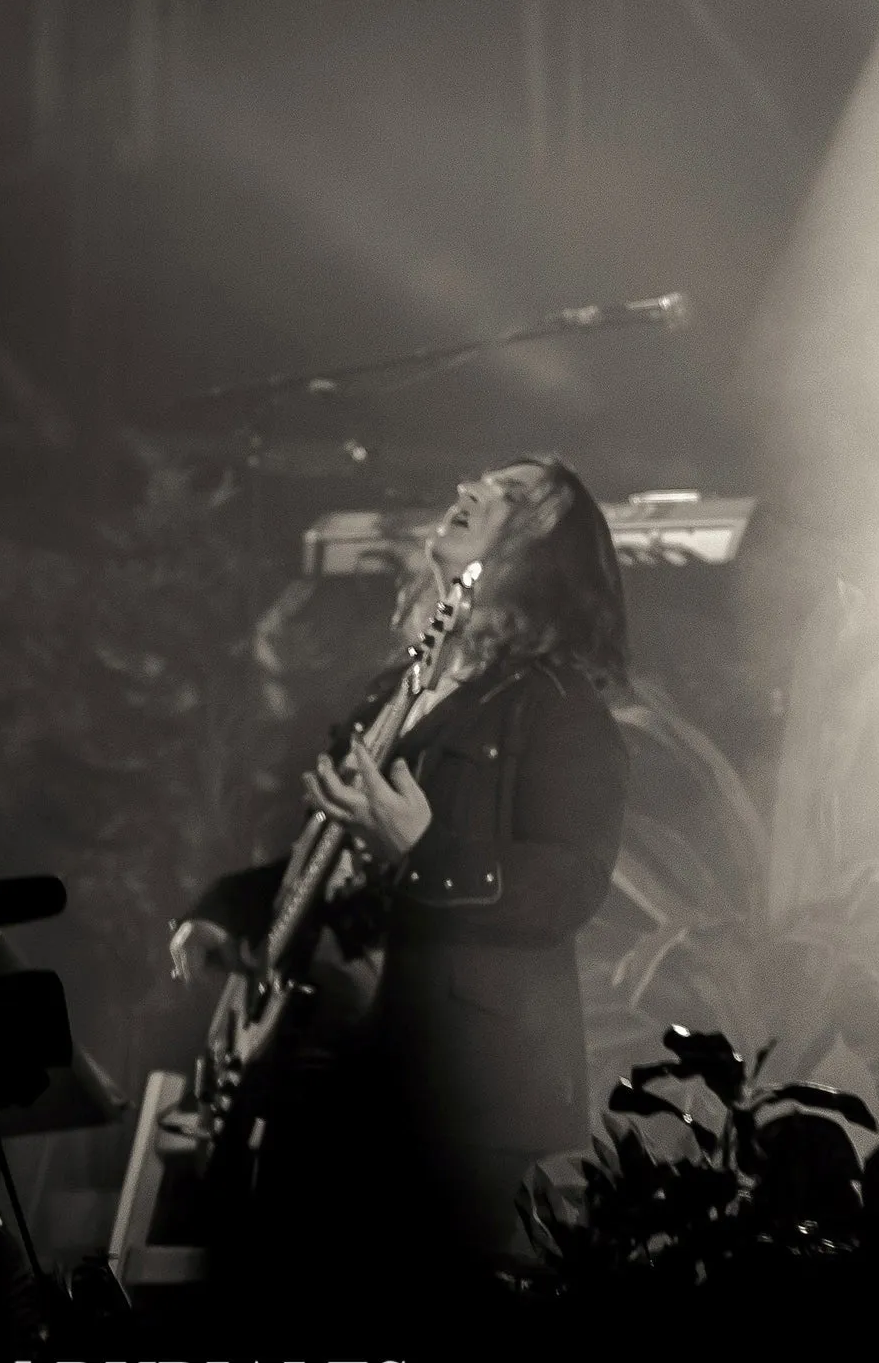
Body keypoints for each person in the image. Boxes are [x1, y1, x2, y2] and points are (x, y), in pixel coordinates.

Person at [167, 456, 629, 1346]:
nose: (472, 488)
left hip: (455, 1089)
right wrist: (226, 907)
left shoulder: (557, 705)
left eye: (509, 493)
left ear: (542, 551)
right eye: (478, 479)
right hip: (327, 1065)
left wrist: (425, 852)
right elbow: (322, 857)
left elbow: (570, 884)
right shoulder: (399, 690)